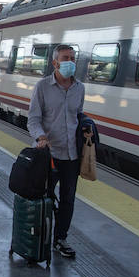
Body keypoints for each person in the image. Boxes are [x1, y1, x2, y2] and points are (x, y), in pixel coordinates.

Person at [27, 44, 85, 259]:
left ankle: (60, 238)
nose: (70, 61)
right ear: (55, 62)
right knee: (45, 197)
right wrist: (40, 137)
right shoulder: (42, 87)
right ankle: (39, 237)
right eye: (65, 58)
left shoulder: (80, 88)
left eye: (72, 57)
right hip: (48, 154)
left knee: (68, 198)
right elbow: (33, 119)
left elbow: (79, 116)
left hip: (72, 155)